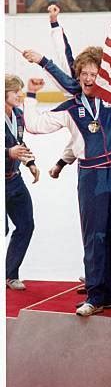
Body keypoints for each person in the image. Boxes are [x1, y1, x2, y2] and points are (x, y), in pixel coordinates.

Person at [22, 45, 111, 317]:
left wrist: (44, 59)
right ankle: (97, 295)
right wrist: (29, 93)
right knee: (94, 237)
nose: (88, 78)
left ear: (103, 75)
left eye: (94, 73)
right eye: (84, 73)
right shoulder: (71, 108)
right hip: (92, 176)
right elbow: (34, 124)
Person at [5, 75, 39, 291]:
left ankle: (10, 274)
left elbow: (20, 143)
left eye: (20, 90)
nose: (20, 94)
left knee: (26, 225)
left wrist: (31, 163)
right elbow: (11, 149)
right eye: (15, 91)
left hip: (15, 181)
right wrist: (8, 152)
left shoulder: (17, 114)